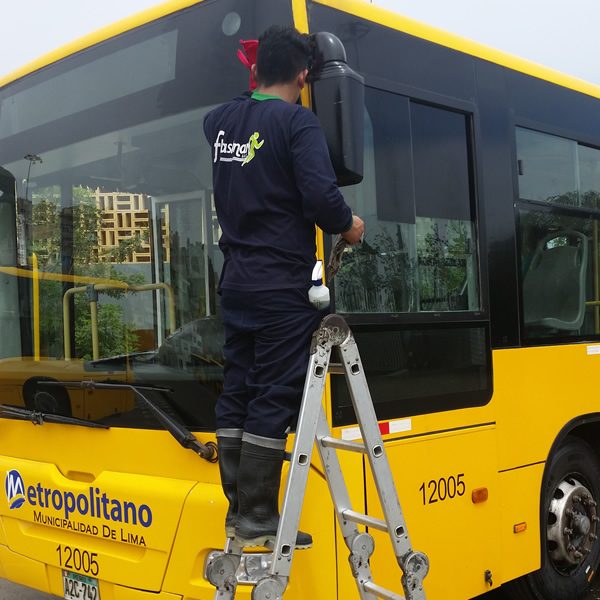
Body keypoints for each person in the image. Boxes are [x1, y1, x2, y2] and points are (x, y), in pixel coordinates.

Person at [203, 25, 364, 549]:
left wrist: (255, 80)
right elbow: (320, 196)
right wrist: (349, 226)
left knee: (239, 387)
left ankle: (239, 509)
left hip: (237, 285)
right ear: (303, 75)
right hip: (279, 285)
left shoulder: (220, 122)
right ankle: (255, 518)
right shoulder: (298, 123)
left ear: (254, 71)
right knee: (273, 394)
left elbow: (224, 113)